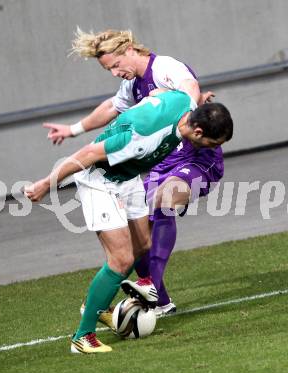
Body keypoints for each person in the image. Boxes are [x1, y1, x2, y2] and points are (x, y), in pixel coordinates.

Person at [25, 90, 233, 353]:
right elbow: (89, 153)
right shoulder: (143, 138)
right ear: (199, 132)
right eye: (214, 143)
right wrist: (46, 184)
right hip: (100, 181)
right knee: (121, 259)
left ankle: (102, 303)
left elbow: (158, 92)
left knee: (143, 244)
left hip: (128, 178)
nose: (214, 150)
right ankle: (83, 336)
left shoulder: (185, 102)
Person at [44, 28, 220, 316]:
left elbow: (189, 87)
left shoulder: (165, 67)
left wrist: (194, 104)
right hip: (161, 163)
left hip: (195, 157)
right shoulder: (133, 85)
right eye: (108, 69)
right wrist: (73, 129)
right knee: (139, 236)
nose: (114, 73)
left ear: (129, 49)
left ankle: (150, 282)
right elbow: (111, 107)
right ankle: (159, 302)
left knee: (164, 200)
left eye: (115, 65)